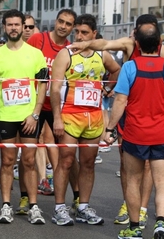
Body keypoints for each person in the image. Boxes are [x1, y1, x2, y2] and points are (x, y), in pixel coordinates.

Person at [67, 14, 164, 228]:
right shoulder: (129, 44)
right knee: (127, 166)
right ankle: (133, 207)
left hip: (148, 117)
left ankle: (140, 210)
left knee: (149, 168)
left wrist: (163, 104)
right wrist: (84, 43)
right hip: (133, 117)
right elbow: (104, 43)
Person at [104, 23, 164, 239]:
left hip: (135, 133)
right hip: (163, 133)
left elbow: (120, 101)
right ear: (160, 43)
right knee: (162, 181)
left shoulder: (130, 67)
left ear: (137, 44)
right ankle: (160, 223)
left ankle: (134, 227)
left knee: (133, 180)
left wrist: (110, 128)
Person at [50, 14, 120, 226]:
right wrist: (57, 118)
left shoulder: (102, 54)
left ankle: (83, 206)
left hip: (94, 117)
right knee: (66, 161)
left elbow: (117, 70)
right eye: (77, 32)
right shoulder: (66, 53)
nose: (79, 36)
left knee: (88, 163)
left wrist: (108, 89)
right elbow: (54, 89)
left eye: (84, 33)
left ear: (94, 35)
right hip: (70, 115)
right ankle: (59, 208)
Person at [0, 9, 48, 225]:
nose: (14, 28)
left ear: (23, 26)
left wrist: (35, 113)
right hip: (6, 115)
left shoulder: (36, 54)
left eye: (18, 25)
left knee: (29, 161)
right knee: (7, 161)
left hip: (29, 117)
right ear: (4, 27)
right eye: (10, 25)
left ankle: (33, 206)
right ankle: (6, 205)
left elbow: (43, 85)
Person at [27, 9, 78, 204]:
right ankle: (26, 198)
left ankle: (76, 196)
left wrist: (106, 90)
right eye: (61, 22)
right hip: (34, 104)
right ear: (55, 21)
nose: (63, 26)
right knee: (28, 150)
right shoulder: (38, 40)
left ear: (72, 27)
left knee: (67, 152)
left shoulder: (71, 49)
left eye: (68, 24)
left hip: (58, 106)